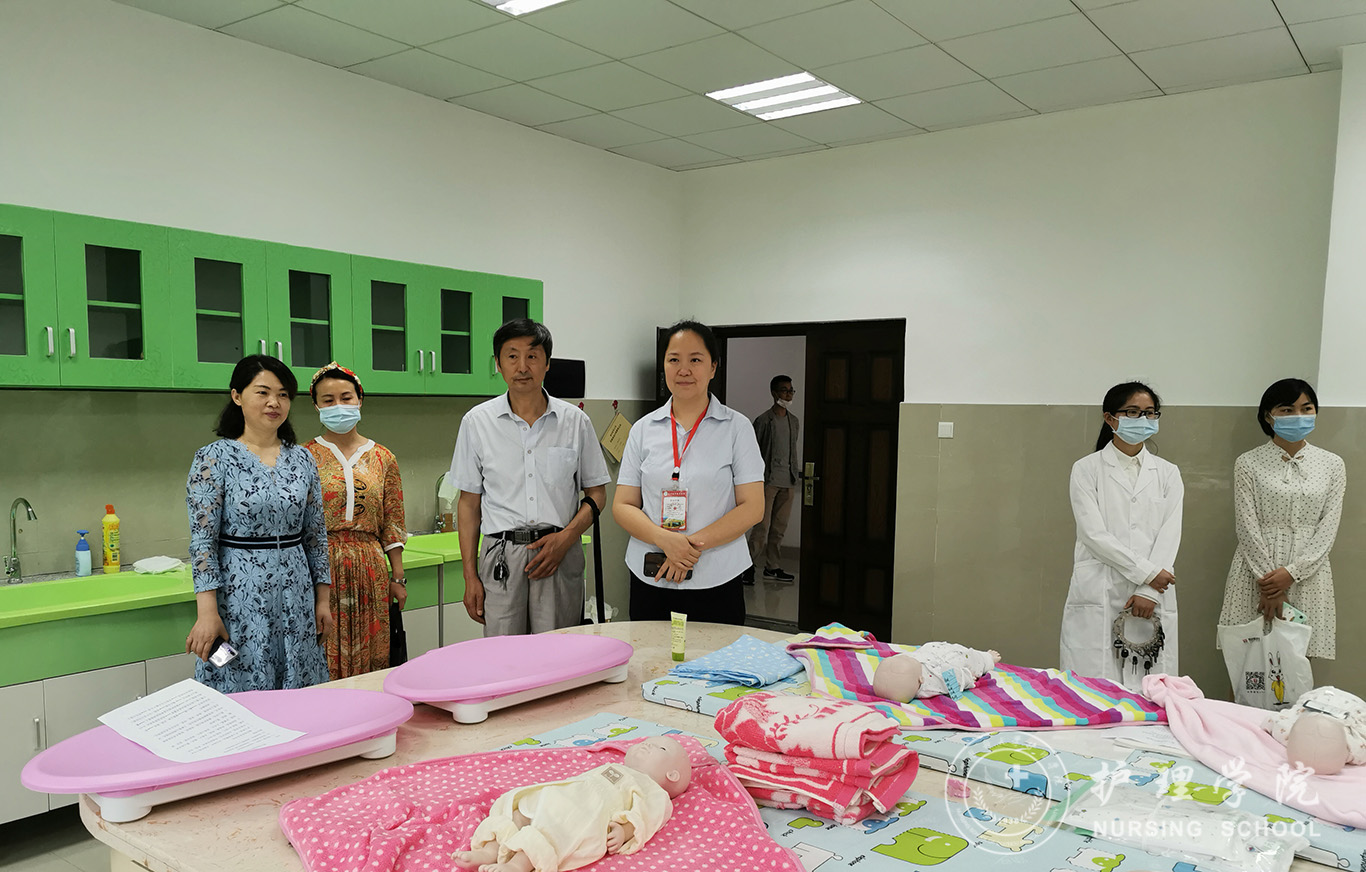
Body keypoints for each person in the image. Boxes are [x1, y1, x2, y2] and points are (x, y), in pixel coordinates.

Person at [450, 319, 609, 636]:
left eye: (532, 356)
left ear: (547, 363)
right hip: (501, 556)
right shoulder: (476, 423)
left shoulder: (575, 422)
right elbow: (468, 505)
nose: (522, 366)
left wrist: (566, 538)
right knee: (504, 654)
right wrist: (469, 575)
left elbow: (597, 494)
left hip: (559, 550)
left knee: (559, 651)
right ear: (498, 364)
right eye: (512, 356)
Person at [185, 354, 333, 692]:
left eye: (283, 395)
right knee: (239, 679)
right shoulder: (213, 458)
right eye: (262, 392)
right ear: (237, 396)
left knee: (300, 685)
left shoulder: (303, 458)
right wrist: (207, 612)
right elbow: (203, 543)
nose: (274, 403)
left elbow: (315, 536)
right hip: (240, 595)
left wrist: (322, 600)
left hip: (297, 592)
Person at [613, 320, 765, 625]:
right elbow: (623, 505)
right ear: (664, 367)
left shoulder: (736, 428)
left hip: (717, 577)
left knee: (715, 655)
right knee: (649, 653)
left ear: (713, 367)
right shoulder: (642, 429)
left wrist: (688, 548)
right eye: (674, 360)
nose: (684, 370)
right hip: (651, 576)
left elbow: (753, 507)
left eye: (695, 360)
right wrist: (665, 541)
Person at [1061, 381, 1182, 691]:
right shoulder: (1086, 469)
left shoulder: (1168, 473)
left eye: (1149, 413)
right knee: (1093, 688)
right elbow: (1093, 535)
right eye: (1132, 412)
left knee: (1150, 687)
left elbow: (1170, 534)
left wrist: (1149, 590)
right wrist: (1148, 573)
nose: (1143, 419)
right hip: (1100, 586)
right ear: (1110, 418)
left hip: (1152, 592)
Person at [1217, 378, 1345, 660]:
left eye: (1306, 408)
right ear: (1268, 416)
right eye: (1287, 409)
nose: (1298, 415)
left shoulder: (1332, 464)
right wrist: (1271, 586)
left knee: (1297, 665)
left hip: (1309, 573)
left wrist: (1293, 573)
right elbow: (1246, 526)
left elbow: (1328, 527)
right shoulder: (1248, 462)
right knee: (1249, 664)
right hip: (1256, 571)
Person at [305, 362, 407, 679]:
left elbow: (393, 520)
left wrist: (398, 577)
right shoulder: (303, 456)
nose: (338, 405)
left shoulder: (383, 458)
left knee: (374, 653)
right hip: (320, 570)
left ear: (360, 399)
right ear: (316, 406)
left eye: (346, 397)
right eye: (328, 400)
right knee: (323, 649)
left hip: (370, 568)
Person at [453, 737, 692, 872]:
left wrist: (625, 830)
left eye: (661, 747)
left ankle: (517, 865)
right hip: (562, 794)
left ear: (672, 775)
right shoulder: (617, 766)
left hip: (585, 812)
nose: (648, 744)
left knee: (554, 832)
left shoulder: (654, 792)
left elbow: (646, 818)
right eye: (649, 741)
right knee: (519, 809)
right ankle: (489, 851)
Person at [745, 374, 800, 584]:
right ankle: (747, 567)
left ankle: (773, 567)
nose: (789, 394)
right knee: (761, 527)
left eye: (791, 390)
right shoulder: (763, 421)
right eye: (785, 390)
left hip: (788, 482)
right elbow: (754, 451)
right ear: (774, 393)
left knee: (779, 528)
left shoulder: (794, 421)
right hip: (768, 482)